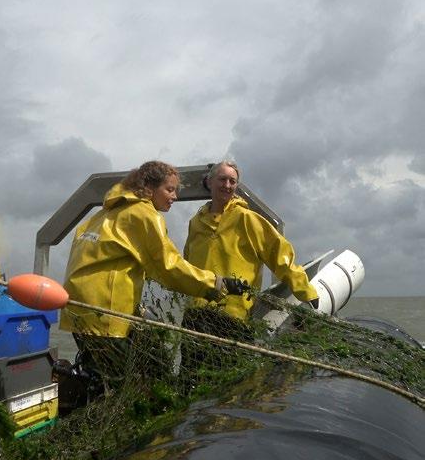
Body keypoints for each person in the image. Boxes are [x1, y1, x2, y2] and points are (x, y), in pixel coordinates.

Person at [60, 161, 246, 388]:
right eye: (170, 189)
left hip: (76, 311)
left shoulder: (102, 215)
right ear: (149, 188)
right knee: (134, 381)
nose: (175, 196)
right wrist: (218, 284)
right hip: (106, 313)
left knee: (102, 376)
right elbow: (169, 266)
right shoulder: (144, 214)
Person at [183, 160, 319, 323]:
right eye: (222, 179)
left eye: (232, 181)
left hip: (234, 314)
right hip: (196, 311)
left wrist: (306, 291)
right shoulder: (195, 223)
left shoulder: (247, 219)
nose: (227, 185)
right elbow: (187, 263)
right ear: (209, 182)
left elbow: (279, 255)